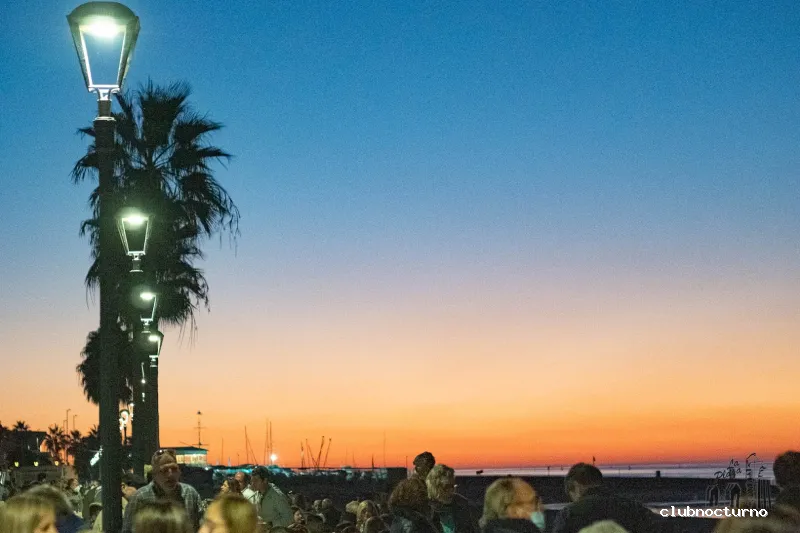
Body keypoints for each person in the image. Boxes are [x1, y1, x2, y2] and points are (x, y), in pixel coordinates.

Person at [551, 463, 657, 533]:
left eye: (571, 494)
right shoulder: (633, 507)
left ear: (576, 486)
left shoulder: (569, 514)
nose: (574, 500)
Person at [122, 449, 203, 533]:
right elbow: (127, 530)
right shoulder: (140, 497)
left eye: (174, 469)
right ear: (154, 475)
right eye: (164, 471)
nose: (170, 474)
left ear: (179, 472)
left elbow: (201, 527)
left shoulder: (190, 494)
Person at [479, 477, 543, 533]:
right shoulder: (528, 528)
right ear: (511, 509)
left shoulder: (490, 529)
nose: (537, 507)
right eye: (531, 502)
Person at [427, 465, 478, 533]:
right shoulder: (425, 510)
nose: (451, 491)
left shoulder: (463, 504)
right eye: (446, 487)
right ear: (434, 488)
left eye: (452, 486)